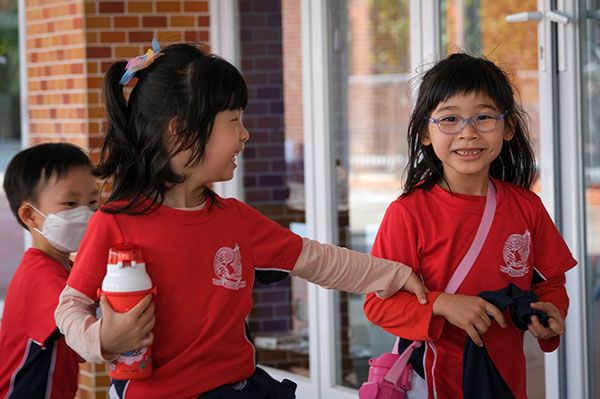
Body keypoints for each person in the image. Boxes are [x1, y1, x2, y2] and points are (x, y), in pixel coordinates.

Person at [54, 41, 428, 399]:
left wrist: (393, 274)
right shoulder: (114, 223)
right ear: (181, 130)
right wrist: (103, 340)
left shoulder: (236, 220)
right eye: (234, 120)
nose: (245, 134)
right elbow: (71, 306)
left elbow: (318, 260)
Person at [363, 53, 577, 399]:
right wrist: (441, 304)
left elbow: (551, 283)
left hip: (506, 383)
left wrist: (550, 313)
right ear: (425, 133)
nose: (468, 132)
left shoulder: (527, 207)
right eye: (450, 119)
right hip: (433, 385)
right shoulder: (407, 214)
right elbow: (378, 304)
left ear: (508, 128)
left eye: (483, 117)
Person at [0, 143, 99, 398]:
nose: (86, 213)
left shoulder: (65, 269)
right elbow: (93, 339)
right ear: (30, 216)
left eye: (92, 202)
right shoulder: (42, 277)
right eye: (70, 202)